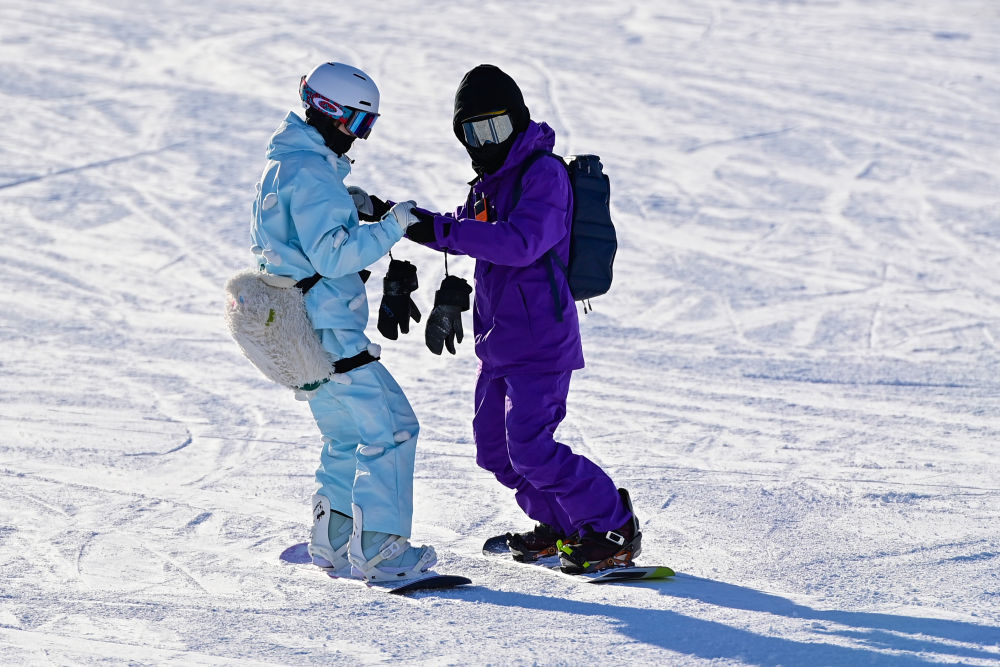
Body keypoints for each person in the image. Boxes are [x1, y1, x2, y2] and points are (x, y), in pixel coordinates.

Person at [401, 64, 641, 573]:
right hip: (498, 343)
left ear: (518, 119)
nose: (487, 139)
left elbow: (521, 242)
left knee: (531, 449)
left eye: (497, 126)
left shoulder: (544, 174)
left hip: (541, 341)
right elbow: (465, 235)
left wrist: (437, 231)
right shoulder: (486, 185)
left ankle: (610, 526)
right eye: (474, 131)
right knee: (495, 452)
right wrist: (441, 281)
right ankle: (560, 526)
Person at [249, 62, 435, 582]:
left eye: (367, 126)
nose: (360, 138)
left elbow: (294, 241)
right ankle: (380, 549)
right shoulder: (310, 173)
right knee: (392, 428)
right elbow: (334, 257)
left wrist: (347, 209)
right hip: (330, 328)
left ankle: (331, 540)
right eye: (357, 123)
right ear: (330, 112)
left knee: (346, 435)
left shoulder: (285, 165)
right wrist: (393, 224)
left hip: (300, 331)